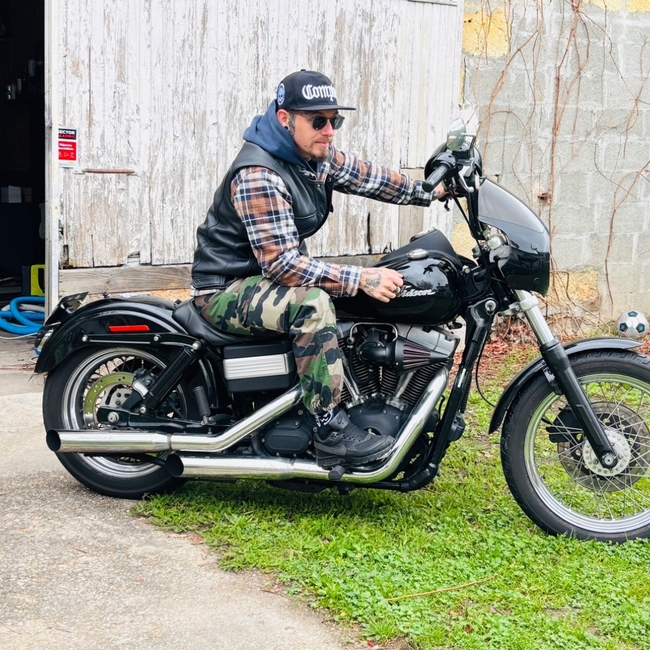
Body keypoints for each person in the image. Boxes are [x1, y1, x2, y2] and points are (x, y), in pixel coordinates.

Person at [191, 69, 444, 470]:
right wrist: (362, 277)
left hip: (260, 280)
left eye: (334, 120)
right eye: (318, 121)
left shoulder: (310, 156)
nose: (328, 131)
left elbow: (366, 176)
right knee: (313, 304)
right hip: (226, 289)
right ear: (284, 118)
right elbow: (282, 264)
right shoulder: (260, 174)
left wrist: (429, 190)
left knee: (342, 298)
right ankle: (329, 430)